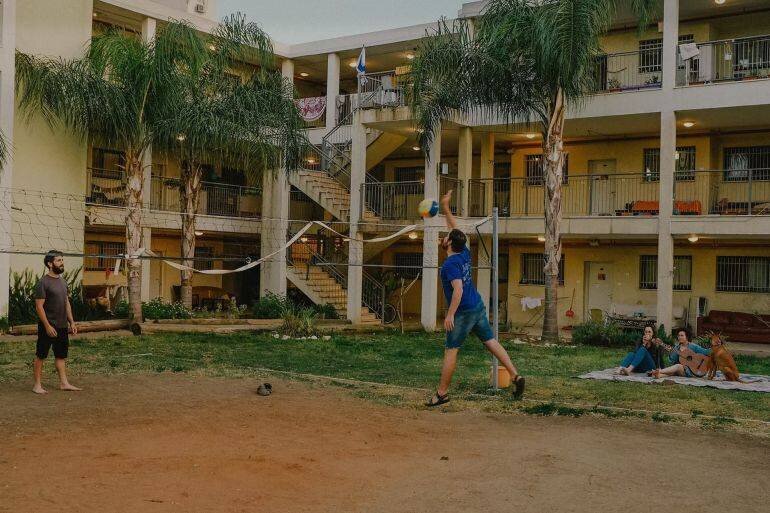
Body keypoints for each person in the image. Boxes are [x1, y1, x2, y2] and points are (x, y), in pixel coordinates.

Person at [426, 190, 524, 407]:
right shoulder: (464, 252)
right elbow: (456, 229)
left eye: (446, 236)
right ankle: (515, 376)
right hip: (477, 305)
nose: (444, 237)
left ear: (449, 243)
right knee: (491, 342)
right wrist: (445, 207)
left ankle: (441, 394)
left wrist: (450, 314)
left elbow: (458, 290)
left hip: (462, 312)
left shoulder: (451, 264)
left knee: (451, 350)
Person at [32, 250, 81, 394]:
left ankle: (64, 383)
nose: (62, 262)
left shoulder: (63, 282)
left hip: (61, 325)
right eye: (58, 260)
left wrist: (71, 322)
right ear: (50, 263)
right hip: (48, 326)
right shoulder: (43, 282)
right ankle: (37, 385)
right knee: (41, 355)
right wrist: (47, 326)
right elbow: (39, 306)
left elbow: (66, 303)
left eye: (62, 260)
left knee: (61, 355)